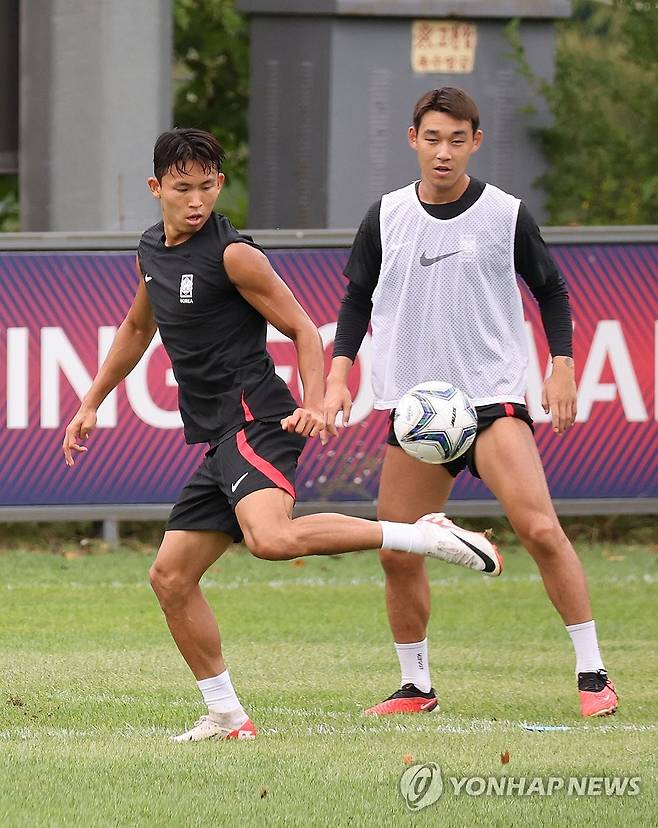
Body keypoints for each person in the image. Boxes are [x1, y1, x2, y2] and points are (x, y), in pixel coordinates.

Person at [61, 128, 501, 743]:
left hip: (257, 421)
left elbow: (304, 330)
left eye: (207, 187)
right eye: (182, 188)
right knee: (170, 577)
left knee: (269, 539)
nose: (196, 201)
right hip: (219, 437)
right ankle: (226, 715)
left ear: (219, 184)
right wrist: (89, 402)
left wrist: (318, 399)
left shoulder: (234, 255)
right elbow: (138, 329)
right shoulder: (150, 252)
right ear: (155, 188)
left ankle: (420, 533)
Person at [324, 88, 618, 719]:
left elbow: (553, 292)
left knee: (540, 530)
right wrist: (339, 373)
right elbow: (355, 301)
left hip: (490, 400)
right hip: (416, 410)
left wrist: (561, 367)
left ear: (475, 142)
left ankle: (593, 674)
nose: (444, 152)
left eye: (457, 140)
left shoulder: (506, 215)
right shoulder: (385, 216)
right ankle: (416, 686)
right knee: (396, 551)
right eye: (433, 138)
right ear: (412, 139)